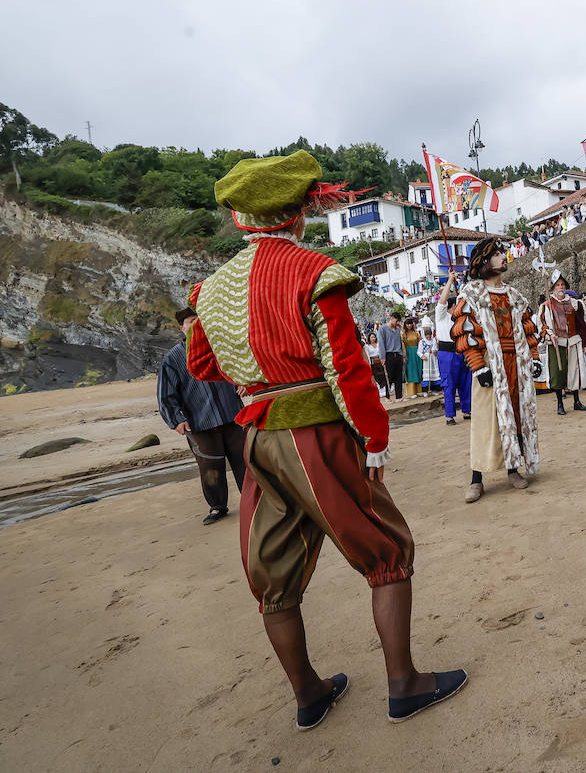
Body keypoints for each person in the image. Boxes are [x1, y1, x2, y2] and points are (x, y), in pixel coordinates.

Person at [186, 149, 466, 730]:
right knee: (385, 550)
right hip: (316, 435)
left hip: (258, 438)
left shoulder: (210, 292)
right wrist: (374, 440)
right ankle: (404, 683)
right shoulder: (314, 272)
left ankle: (309, 693)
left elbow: (203, 364)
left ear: (242, 219)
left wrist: (257, 376)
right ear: (298, 214)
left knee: (272, 571)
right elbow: (347, 371)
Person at [450, 238, 541, 504]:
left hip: (517, 364)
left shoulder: (514, 296)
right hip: (490, 364)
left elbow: (528, 329)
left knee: (516, 415)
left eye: (502, 252)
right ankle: (476, 479)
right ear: (484, 261)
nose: (504, 257)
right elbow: (466, 332)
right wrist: (478, 367)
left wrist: (533, 358)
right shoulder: (472, 293)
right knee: (484, 421)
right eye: (497, 254)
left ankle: (513, 469)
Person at [157, 306, 247, 524]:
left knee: (245, 461)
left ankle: (255, 501)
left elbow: (242, 369)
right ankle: (218, 507)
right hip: (199, 423)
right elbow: (165, 393)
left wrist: (245, 382)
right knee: (210, 468)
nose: (195, 324)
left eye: (198, 320)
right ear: (182, 328)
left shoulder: (220, 349)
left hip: (233, 416)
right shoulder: (174, 358)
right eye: (190, 322)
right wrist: (176, 420)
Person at [539, 271, 586, 415]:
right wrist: (550, 335)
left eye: (562, 284)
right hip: (557, 343)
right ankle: (560, 404)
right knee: (558, 373)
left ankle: (576, 401)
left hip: (573, 341)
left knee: (574, 371)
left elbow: (582, 324)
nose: (560, 287)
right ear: (553, 288)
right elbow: (542, 325)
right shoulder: (547, 306)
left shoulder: (575, 304)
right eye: (557, 285)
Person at [434, 274, 471, 426]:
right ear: (451, 307)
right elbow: (442, 300)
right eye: (456, 305)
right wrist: (449, 280)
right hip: (446, 354)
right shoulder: (442, 316)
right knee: (449, 384)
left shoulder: (461, 319)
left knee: (466, 382)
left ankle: (467, 410)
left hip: (462, 351)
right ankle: (449, 415)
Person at [379, 313, 405, 399]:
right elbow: (381, 344)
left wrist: (402, 355)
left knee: (399, 377)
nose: (397, 323)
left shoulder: (398, 330)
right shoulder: (383, 329)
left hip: (398, 355)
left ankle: (399, 396)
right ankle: (387, 396)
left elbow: (400, 343)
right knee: (388, 376)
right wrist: (382, 357)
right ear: (392, 318)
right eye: (396, 320)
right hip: (388, 355)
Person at [402, 317, 422, 398]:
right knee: (410, 371)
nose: (409, 325)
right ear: (405, 325)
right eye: (407, 324)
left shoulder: (416, 333)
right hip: (408, 353)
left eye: (410, 323)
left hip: (417, 352)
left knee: (418, 370)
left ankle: (418, 390)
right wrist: (404, 355)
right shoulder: (403, 333)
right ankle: (411, 392)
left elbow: (420, 342)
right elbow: (402, 344)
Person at [363, 330, 387, 398]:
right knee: (377, 375)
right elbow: (367, 355)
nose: (373, 338)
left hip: (380, 360)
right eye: (371, 337)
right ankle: (380, 389)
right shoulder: (367, 346)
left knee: (383, 374)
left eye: (374, 337)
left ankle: (384, 388)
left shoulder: (379, 344)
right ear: (369, 338)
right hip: (373, 362)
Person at [418, 323, 439, 397]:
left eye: (429, 335)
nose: (428, 336)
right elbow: (419, 351)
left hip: (433, 359)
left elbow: (435, 348)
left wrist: (433, 350)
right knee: (426, 375)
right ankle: (425, 390)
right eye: (427, 335)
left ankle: (434, 389)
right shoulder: (422, 342)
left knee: (434, 375)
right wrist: (422, 356)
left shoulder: (433, 341)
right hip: (426, 360)